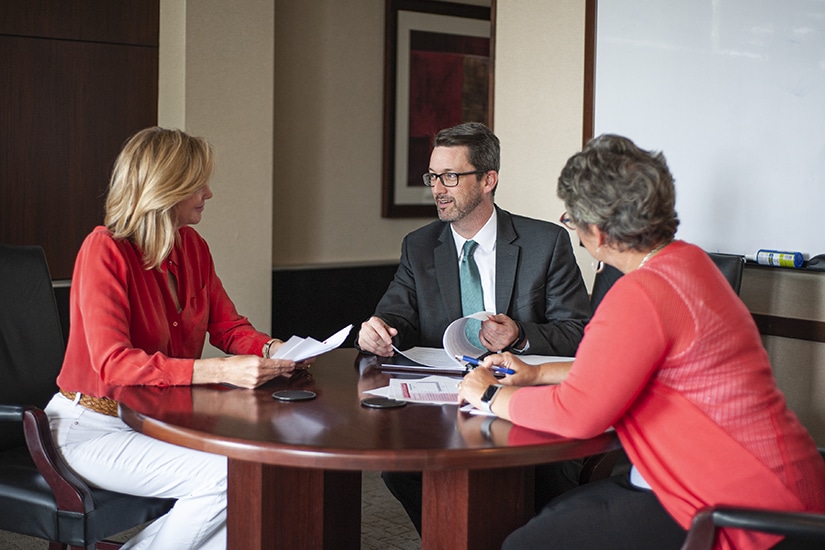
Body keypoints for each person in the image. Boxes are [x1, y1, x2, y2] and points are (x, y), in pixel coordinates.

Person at [460, 134, 825, 549]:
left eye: (572, 220)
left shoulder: (642, 294)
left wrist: (487, 394)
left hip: (739, 509)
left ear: (598, 232)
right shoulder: (689, 262)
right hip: (780, 491)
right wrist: (537, 373)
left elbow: (577, 415)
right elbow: (625, 369)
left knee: (526, 543)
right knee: (553, 516)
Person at [43, 127, 311, 549]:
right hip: (89, 425)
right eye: (197, 184)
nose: (208, 193)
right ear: (165, 187)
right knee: (229, 477)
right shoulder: (104, 249)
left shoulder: (193, 247)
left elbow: (228, 327)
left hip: (158, 422)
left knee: (258, 483)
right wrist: (219, 370)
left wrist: (274, 349)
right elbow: (114, 363)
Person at [357, 122, 592, 534]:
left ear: (488, 180)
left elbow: (578, 333)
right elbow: (397, 316)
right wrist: (378, 331)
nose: (437, 189)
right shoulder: (419, 245)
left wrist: (520, 335)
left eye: (450, 176)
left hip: (520, 401)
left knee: (534, 483)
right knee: (400, 471)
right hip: (442, 403)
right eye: (433, 176)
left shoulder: (545, 243)